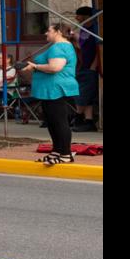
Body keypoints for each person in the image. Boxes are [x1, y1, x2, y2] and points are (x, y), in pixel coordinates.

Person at [19, 23, 83, 164]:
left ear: (58, 32)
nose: (46, 34)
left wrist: (34, 66)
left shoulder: (59, 47)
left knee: (59, 122)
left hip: (56, 89)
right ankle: (57, 152)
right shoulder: (62, 46)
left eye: (48, 31)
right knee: (53, 121)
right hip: (51, 89)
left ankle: (65, 154)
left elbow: (55, 67)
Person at [73, 6, 101, 131]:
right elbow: (82, 46)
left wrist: (93, 66)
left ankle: (78, 117)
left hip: (90, 66)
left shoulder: (95, 28)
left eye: (78, 15)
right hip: (82, 64)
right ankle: (88, 120)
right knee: (85, 94)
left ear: (85, 16)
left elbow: (97, 49)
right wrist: (74, 40)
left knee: (84, 92)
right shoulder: (83, 29)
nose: (76, 18)